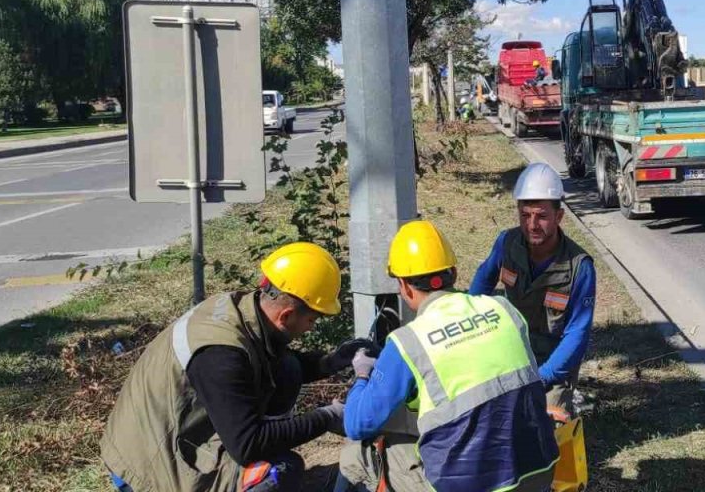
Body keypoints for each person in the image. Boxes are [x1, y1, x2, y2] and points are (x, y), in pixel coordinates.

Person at [101, 242, 370, 492]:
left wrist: (332, 361)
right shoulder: (221, 354)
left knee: (288, 368)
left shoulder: (246, 309)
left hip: (173, 432)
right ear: (286, 315)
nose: (311, 327)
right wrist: (326, 417)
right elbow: (247, 445)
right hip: (149, 465)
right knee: (281, 471)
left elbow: (271, 361)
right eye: (312, 319)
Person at [337, 220, 559, 492]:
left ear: (404, 287)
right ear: (453, 272)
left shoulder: (408, 342)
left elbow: (357, 423)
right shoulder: (503, 309)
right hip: (538, 474)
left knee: (357, 453)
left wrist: (362, 374)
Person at [470, 162, 596, 413]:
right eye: (525, 215)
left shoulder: (580, 267)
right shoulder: (506, 243)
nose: (532, 225)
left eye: (541, 216)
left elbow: (577, 335)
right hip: (509, 352)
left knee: (546, 428)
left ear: (559, 217)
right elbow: (480, 287)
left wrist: (542, 377)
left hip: (552, 365)